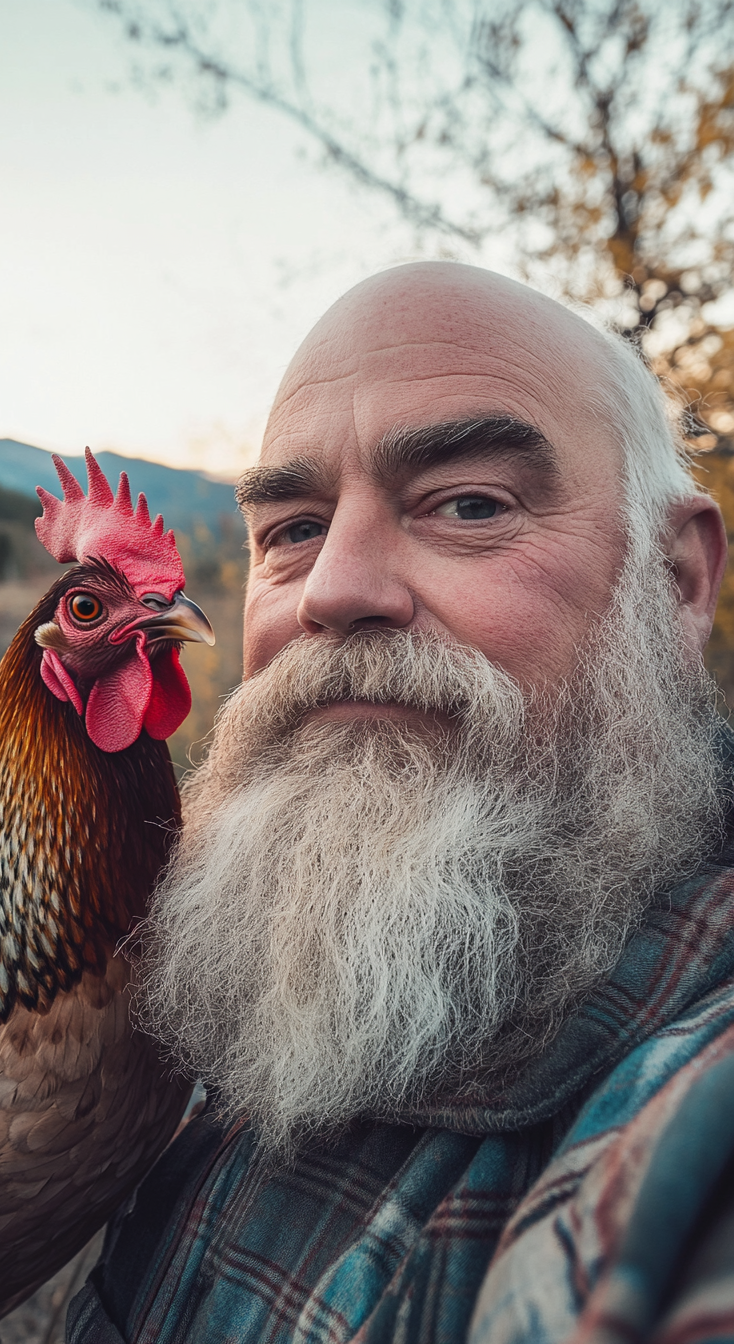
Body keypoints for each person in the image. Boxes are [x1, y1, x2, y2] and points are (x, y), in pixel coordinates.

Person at [68, 262, 734, 1344]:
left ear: (673, 579)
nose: (333, 588)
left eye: (468, 504)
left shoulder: (687, 1133)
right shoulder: (193, 1000)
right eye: (289, 528)